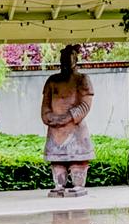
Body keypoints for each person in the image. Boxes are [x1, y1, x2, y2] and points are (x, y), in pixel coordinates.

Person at [40, 44, 94, 196]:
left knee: (78, 161)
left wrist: (68, 117)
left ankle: (78, 185)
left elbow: (85, 105)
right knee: (57, 162)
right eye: (63, 58)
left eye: (68, 58)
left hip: (75, 129)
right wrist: (49, 117)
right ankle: (59, 185)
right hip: (55, 129)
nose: (65, 62)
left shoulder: (83, 79)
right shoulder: (52, 80)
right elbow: (45, 105)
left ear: (75, 59)